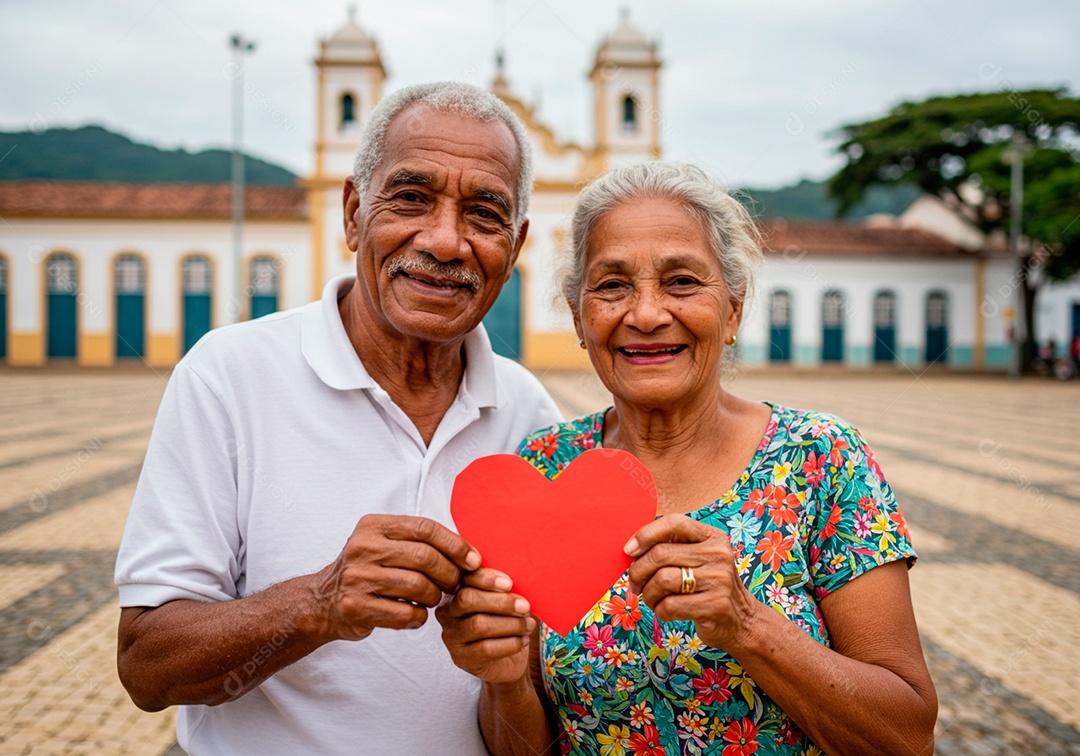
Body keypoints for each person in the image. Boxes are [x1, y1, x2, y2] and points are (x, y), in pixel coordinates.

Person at [114, 82, 562, 753]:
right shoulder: (229, 376)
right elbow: (147, 668)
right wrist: (319, 603)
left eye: (484, 213)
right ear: (353, 213)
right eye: (411, 198)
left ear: (516, 246)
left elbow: (531, 717)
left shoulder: (533, 419)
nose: (445, 241)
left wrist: (508, 675)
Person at [437, 162, 938, 755]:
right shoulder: (545, 465)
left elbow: (907, 738)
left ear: (731, 310)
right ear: (579, 318)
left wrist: (747, 625)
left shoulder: (822, 461)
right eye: (612, 285)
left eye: (681, 282)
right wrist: (506, 679)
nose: (646, 314)